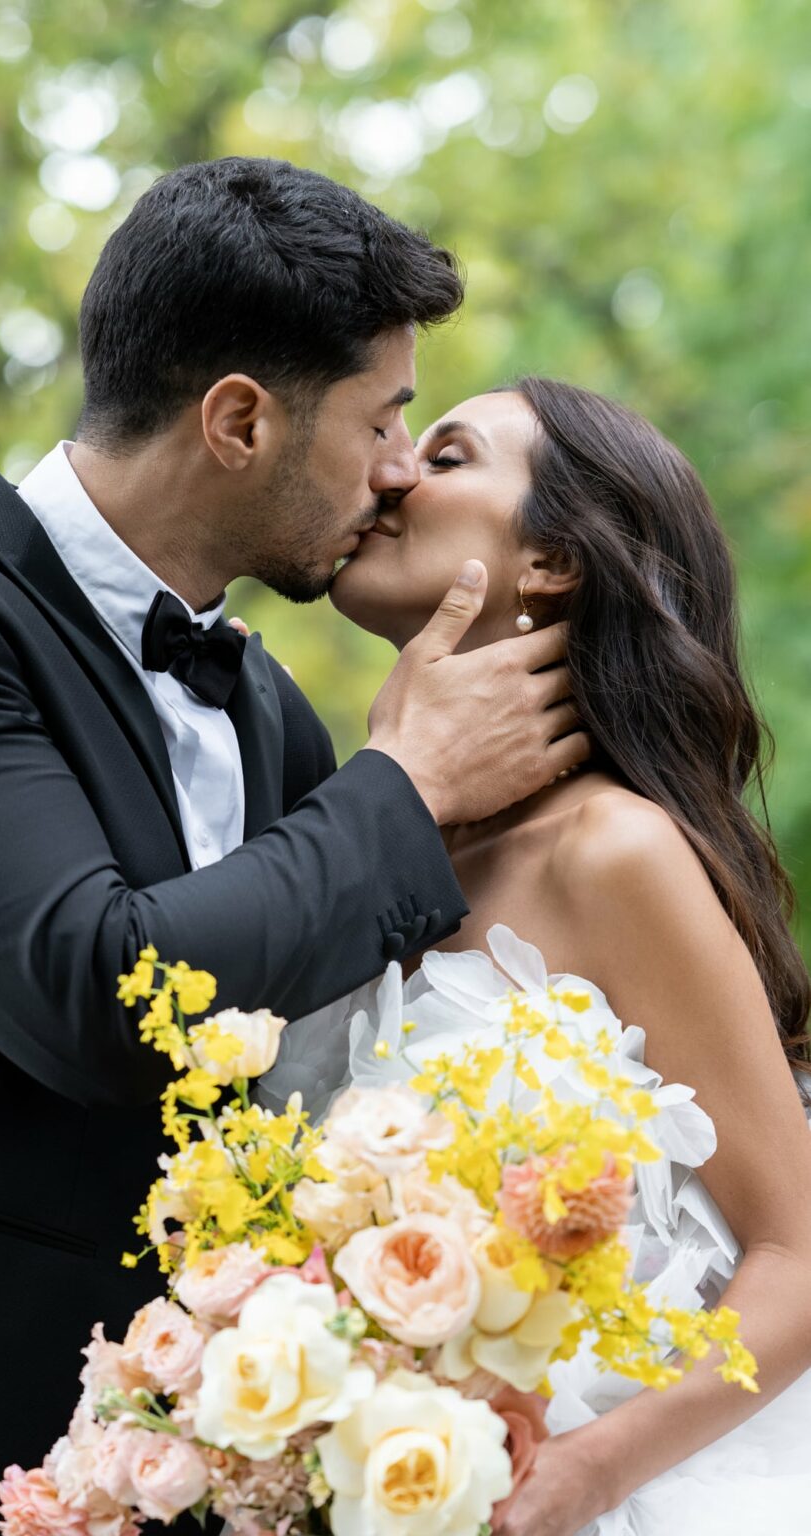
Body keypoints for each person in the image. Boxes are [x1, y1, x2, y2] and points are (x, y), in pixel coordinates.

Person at [0, 163, 586, 1534]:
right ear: (236, 421)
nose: (397, 468)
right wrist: (403, 785)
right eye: (382, 421)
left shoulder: (268, 707)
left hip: (200, 1470)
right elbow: (93, 993)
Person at [280, 376, 811, 1534]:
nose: (393, 474)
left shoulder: (609, 852)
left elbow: (798, 1258)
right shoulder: (345, 849)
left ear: (553, 561)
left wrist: (587, 1476)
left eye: (448, 452)